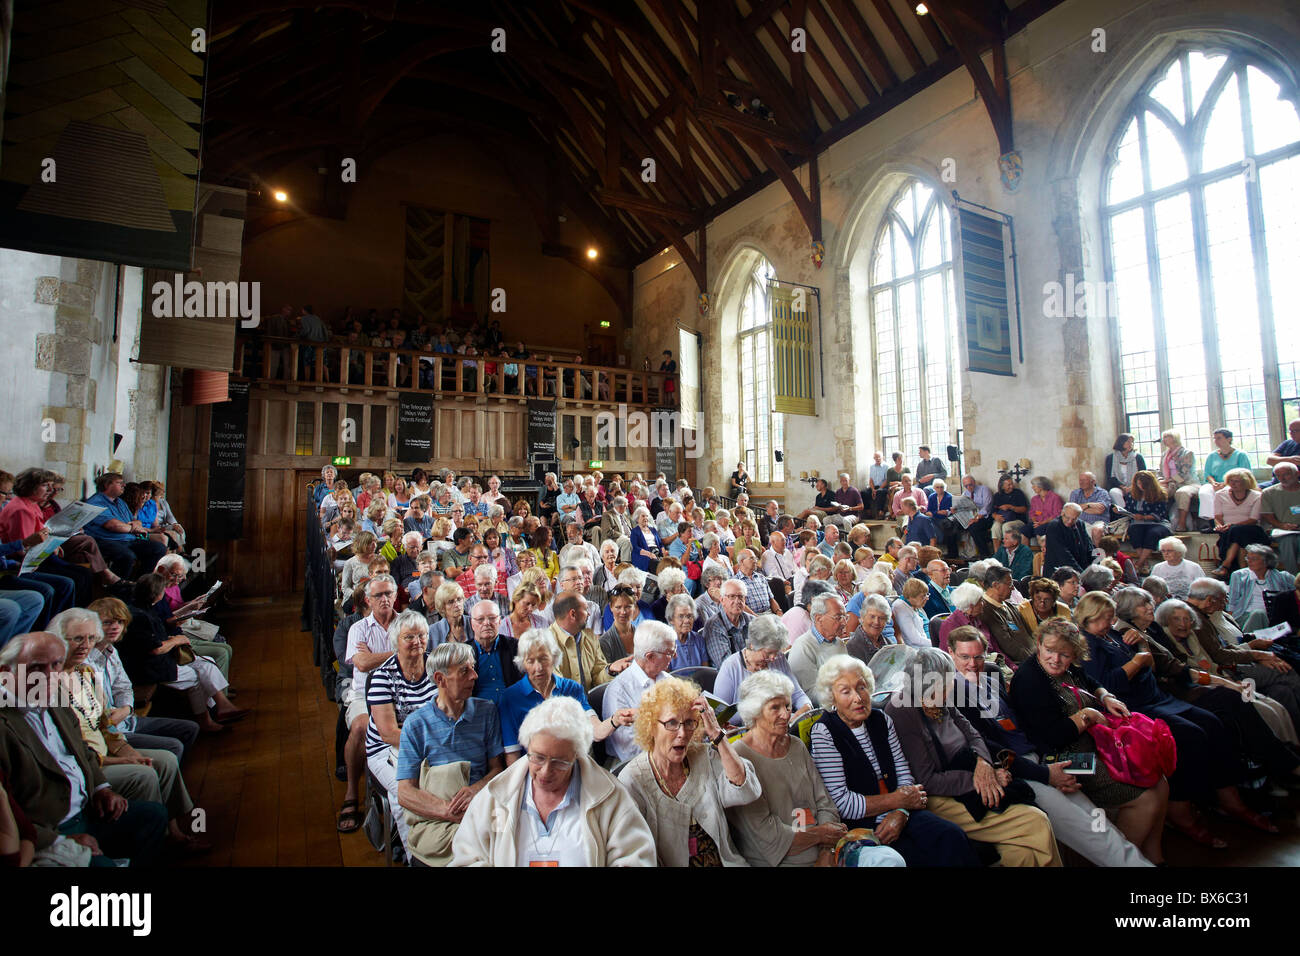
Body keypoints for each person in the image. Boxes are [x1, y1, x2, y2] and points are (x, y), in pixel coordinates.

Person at [1074, 591, 1275, 844]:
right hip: (1135, 706)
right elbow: (1107, 683)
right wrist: (1139, 659)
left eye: (1110, 617)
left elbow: (1154, 665)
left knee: (1212, 723)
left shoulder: (1112, 635)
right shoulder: (1087, 644)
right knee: (1188, 735)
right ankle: (1180, 812)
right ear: (1087, 618)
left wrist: (1141, 645)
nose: (1108, 623)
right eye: (1102, 618)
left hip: (1157, 697)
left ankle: (1228, 797)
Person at [948, 626, 1156, 866]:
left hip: (1043, 757)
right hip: (1019, 771)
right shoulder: (952, 692)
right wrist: (1045, 774)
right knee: (1092, 832)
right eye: (964, 657)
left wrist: (1050, 763)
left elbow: (1025, 726)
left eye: (978, 656)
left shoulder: (992, 673)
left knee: (1098, 822)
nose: (973, 664)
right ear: (950, 653)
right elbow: (987, 747)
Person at [0, 632, 170, 867]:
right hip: (51, 828)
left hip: (87, 807)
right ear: (5, 672)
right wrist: (59, 840)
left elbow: (80, 747)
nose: (49, 675)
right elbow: (7, 811)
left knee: (154, 817)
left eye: (56, 664)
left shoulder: (55, 693)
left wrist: (102, 788)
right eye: (36, 667)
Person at [885, 649, 1062, 866]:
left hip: (971, 772)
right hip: (941, 795)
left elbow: (973, 735)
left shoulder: (941, 698)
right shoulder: (903, 711)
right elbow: (927, 779)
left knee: (1021, 853)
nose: (950, 686)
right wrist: (983, 779)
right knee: (1036, 822)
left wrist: (983, 763)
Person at [53, 609, 208, 855]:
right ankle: (153, 840)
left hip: (106, 748)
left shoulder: (85, 673)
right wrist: (121, 758)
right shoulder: (51, 687)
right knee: (145, 773)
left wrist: (127, 750)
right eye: (77, 639)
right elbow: (70, 747)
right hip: (90, 763)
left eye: (91, 639)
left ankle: (173, 829)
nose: (86, 646)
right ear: (59, 640)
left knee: (167, 759)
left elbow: (104, 724)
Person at [809, 654, 979, 866]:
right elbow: (842, 803)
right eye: (846, 691)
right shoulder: (824, 732)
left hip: (902, 813)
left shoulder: (881, 719)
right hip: (863, 825)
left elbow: (903, 772)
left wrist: (901, 812)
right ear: (831, 698)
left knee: (951, 837)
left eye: (861, 687)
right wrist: (898, 801)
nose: (858, 698)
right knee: (917, 859)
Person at [450, 695, 655, 866]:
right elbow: (467, 857)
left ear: (577, 755)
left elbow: (636, 858)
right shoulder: (497, 797)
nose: (546, 772)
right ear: (527, 746)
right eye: (538, 757)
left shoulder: (610, 798)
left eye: (559, 762)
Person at [728, 671, 874, 866]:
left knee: (888, 859)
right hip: (781, 860)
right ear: (755, 712)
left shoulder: (796, 745)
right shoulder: (738, 758)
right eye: (775, 708)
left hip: (827, 850)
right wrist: (821, 834)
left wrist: (826, 850)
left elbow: (825, 804)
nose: (786, 714)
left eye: (787, 705)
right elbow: (767, 837)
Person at [621, 675, 759, 866]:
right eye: (671, 723)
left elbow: (746, 789)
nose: (683, 733)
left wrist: (717, 735)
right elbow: (634, 851)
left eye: (689, 722)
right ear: (651, 726)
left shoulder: (704, 756)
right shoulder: (633, 779)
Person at [395, 642, 506, 861]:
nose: (474, 676)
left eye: (473, 668)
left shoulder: (486, 711)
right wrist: (449, 812)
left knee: (508, 839)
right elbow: (405, 792)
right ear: (440, 679)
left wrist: (475, 790)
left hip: (480, 808)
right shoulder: (416, 724)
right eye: (464, 671)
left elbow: (497, 770)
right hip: (439, 817)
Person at [498, 628, 631, 763]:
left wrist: (615, 720)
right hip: (533, 770)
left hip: (572, 765)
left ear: (554, 657)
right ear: (523, 663)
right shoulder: (510, 698)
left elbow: (596, 732)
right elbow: (512, 758)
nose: (538, 668)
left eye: (543, 659)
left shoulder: (572, 689)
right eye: (530, 661)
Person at [364, 609, 436, 854]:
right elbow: (388, 733)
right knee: (406, 793)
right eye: (409, 637)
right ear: (396, 642)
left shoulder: (435, 666)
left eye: (422, 635)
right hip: (386, 750)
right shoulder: (383, 677)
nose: (417, 642)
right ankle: (412, 851)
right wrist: (429, 744)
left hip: (431, 742)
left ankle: (441, 842)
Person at [600, 620, 679, 762]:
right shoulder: (619, 690)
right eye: (669, 652)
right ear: (650, 656)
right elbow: (629, 751)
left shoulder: (668, 680)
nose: (675, 657)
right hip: (633, 765)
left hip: (671, 753)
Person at [712, 615, 811, 723]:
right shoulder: (731, 667)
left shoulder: (779, 659)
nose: (773, 658)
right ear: (752, 645)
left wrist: (806, 707)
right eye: (768, 653)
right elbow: (720, 716)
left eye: (776, 652)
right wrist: (762, 713)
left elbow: (797, 694)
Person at [81, 472, 167, 580]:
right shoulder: (96, 502)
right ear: (107, 485)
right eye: (119, 483)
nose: (124, 485)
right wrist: (133, 528)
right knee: (127, 556)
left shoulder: (120, 502)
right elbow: (113, 525)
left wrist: (136, 525)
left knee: (158, 548)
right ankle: (118, 588)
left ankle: (140, 583)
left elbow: (136, 521)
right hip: (106, 540)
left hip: (127, 540)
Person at [1210, 468, 1269, 579]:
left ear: (1246, 482)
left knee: (1237, 531)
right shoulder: (1220, 494)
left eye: (1237, 481)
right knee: (1238, 536)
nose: (1233, 484)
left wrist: (1232, 526)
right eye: (1231, 480)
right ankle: (1243, 570)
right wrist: (1219, 525)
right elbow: (1217, 516)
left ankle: (1226, 565)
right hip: (1229, 531)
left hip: (1252, 529)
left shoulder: (1257, 496)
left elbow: (1254, 519)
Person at [548, 592, 614, 690]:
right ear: (573, 614)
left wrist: (610, 670)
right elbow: (557, 689)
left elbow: (598, 677)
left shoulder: (590, 637)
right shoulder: (545, 643)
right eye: (586, 609)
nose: (589, 614)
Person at [787, 593, 850, 693]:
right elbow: (810, 693)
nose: (844, 623)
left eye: (845, 617)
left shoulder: (839, 643)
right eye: (838, 618)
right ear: (818, 618)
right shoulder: (803, 647)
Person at [1227, 545, 1294, 633]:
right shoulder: (1239, 575)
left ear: (1266, 562)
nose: (1249, 561)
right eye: (1248, 558)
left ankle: (1248, 642)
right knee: (1258, 613)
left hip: (1273, 618)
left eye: (1254, 559)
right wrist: (1230, 623)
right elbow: (1232, 602)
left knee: (1261, 614)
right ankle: (1249, 641)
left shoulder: (1283, 577)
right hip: (1244, 617)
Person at [1199, 428, 1253, 526]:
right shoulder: (1212, 456)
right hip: (1215, 483)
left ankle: (1223, 522)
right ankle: (1212, 522)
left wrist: (1226, 483)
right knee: (1204, 492)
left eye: (1219, 438)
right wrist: (1213, 483)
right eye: (1215, 439)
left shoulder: (1240, 455)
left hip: (1234, 483)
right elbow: (1207, 474)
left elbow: (1245, 473)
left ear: (1229, 439)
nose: (1216, 441)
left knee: (1224, 492)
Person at [1156, 429, 1199, 531]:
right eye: (1164, 437)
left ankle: (1182, 524)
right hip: (1170, 483)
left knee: (1182, 493)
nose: (1164, 440)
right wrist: (1161, 480)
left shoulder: (1187, 453)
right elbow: (1160, 471)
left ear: (1175, 438)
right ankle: (1161, 521)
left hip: (1188, 483)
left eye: (1167, 437)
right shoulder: (1164, 455)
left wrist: (1167, 481)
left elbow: (1184, 473)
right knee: (1159, 492)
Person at [1261, 462, 1300, 572]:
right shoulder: (1269, 492)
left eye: (1286, 474)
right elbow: (1267, 514)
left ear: (1297, 474)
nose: (1282, 478)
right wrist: (1282, 525)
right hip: (1283, 530)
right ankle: (1293, 580)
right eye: (1278, 475)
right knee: (1288, 541)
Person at [703, 579, 753, 667]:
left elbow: (764, 650)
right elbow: (727, 665)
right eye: (732, 596)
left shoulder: (751, 620)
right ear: (722, 600)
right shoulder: (714, 626)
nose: (737, 601)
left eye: (741, 596)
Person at [1043, 502, 1092, 575]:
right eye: (1067, 518)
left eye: (1074, 519)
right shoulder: (1054, 526)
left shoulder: (1080, 524)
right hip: (1059, 571)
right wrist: (1082, 574)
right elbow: (1063, 554)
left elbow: (1088, 545)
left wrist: (1093, 564)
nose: (1070, 521)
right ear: (1062, 513)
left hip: (1078, 568)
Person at [1150, 535, 1204, 600]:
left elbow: (1202, 589)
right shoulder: (1157, 568)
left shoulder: (1194, 567)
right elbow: (1152, 589)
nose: (1166, 553)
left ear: (1179, 552)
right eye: (1163, 551)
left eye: (1169, 551)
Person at [665, 593, 709, 671]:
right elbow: (666, 678)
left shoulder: (699, 640)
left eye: (689, 616)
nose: (687, 621)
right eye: (681, 616)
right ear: (671, 619)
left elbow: (705, 671)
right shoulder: (664, 643)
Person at [1104, 433, 1147, 509]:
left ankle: (1131, 512)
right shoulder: (1111, 458)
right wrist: (1122, 487)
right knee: (1113, 492)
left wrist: (1132, 486)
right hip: (1119, 486)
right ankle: (1124, 512)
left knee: (1136, 493)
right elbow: (1110, 477)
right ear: (1121, 443)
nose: (1131, 444)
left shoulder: (1138, 457)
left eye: (1132, 442)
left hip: (1136, 485)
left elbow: (1143, 475)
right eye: (1128, 442)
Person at [989, 474, 1029, 547]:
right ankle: (997, 554)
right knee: (995, 527)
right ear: (1002, 486)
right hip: (1002, 519)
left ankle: (1010, 552)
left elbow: (1024, 509)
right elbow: (992, 511)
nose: (1012, 486)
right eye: (1009, 485)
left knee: (1006, 526)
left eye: (1012, 484)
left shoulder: (1018, 493)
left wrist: (1011, 507)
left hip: (1018, 520)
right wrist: (996, 516)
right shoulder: (997, 495)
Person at [1027, 476, 1064, 541]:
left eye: (1034, 485)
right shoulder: (1034, 499)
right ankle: (1026, 551)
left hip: (1050, 523)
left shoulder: (1055, 498)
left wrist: (1042, 523)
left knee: (1039, 530)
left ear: (1041, 486)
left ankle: (1043, 550)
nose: (1032, 487)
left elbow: (1057, 515)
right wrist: (1035, 522)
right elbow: (1032, 513)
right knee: (1024, 530)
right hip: (1037, 523)